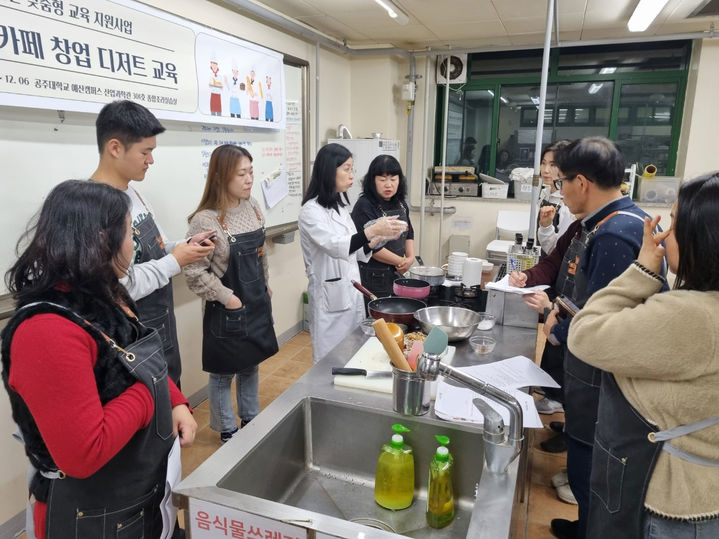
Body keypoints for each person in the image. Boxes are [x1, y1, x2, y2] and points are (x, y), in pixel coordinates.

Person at [1, 180, 196, 539]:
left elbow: (135, 354)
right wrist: (152, 397)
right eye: (127, 233)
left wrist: (176, 400)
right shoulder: (45, 331)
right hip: (92, 514)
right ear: (101, 241)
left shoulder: (104, 292)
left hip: (137, 495)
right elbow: (84, 452)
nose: (132, 244)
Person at [568, 173, 719, 538]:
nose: (666, 234)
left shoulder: (694, 314)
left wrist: (642, 271)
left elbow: (585, 334)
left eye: (675, 222)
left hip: (670, 505)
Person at [538, 137, 666, 539]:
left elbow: (607, 326)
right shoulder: (614, 222)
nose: (559, 192)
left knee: (592, 470)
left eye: (561, 183)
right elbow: (596, 301)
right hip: (594, 376)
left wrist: (555, 324)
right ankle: (586, 527)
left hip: (601, 382)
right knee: (589, 471)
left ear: (582, 182)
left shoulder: (614, 234)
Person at [91, 100, 215, 387]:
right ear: (115, 148)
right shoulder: (96, 207)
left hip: (160, 326)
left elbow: (155, 247)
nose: (151, 160)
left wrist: (183, 246)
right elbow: (120, 285)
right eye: (145, 152)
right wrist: (176, 261)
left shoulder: (132, 192)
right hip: (134, 338)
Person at [184, 145, 278, 443]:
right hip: (227, 307)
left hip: (256, 300)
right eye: (242, 173)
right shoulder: (205, 220)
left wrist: (265, 284)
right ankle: (227, 429)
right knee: (224, 372)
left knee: (251, 363)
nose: (249, 179)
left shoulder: (252, 207)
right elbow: (194, 273)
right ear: (222, 176)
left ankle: (251, 418)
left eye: (251, 171)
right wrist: (228, 298)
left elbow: (261, 254)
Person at [299, 143, 405, 364]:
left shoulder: (339, 208)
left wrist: (380, 237)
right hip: (330, 298)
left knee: (352, 355)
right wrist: (374, 230)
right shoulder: (310, 211)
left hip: (350, 292)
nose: (351, 175)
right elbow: (336, 246)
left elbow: (353, 251)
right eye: (346, 169)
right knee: (330, 362)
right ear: (329, 170)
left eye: (352, 169)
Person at [351, 155, 415, 301]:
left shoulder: (401, 204)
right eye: (382, 179)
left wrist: (410, 258)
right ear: (372, 181)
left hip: (396, 272)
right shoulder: (364, 205)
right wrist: (400, 261)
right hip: (372, 275)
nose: (388, 185)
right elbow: (370, 247)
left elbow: (409, 232)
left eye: (393, 179)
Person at [537, 140, 574, 255]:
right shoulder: (545, 193)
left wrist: (546, 227)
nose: (546, 170)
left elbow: (560, 250)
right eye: (543, 163)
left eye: (553, 165)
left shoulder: (568, 203)